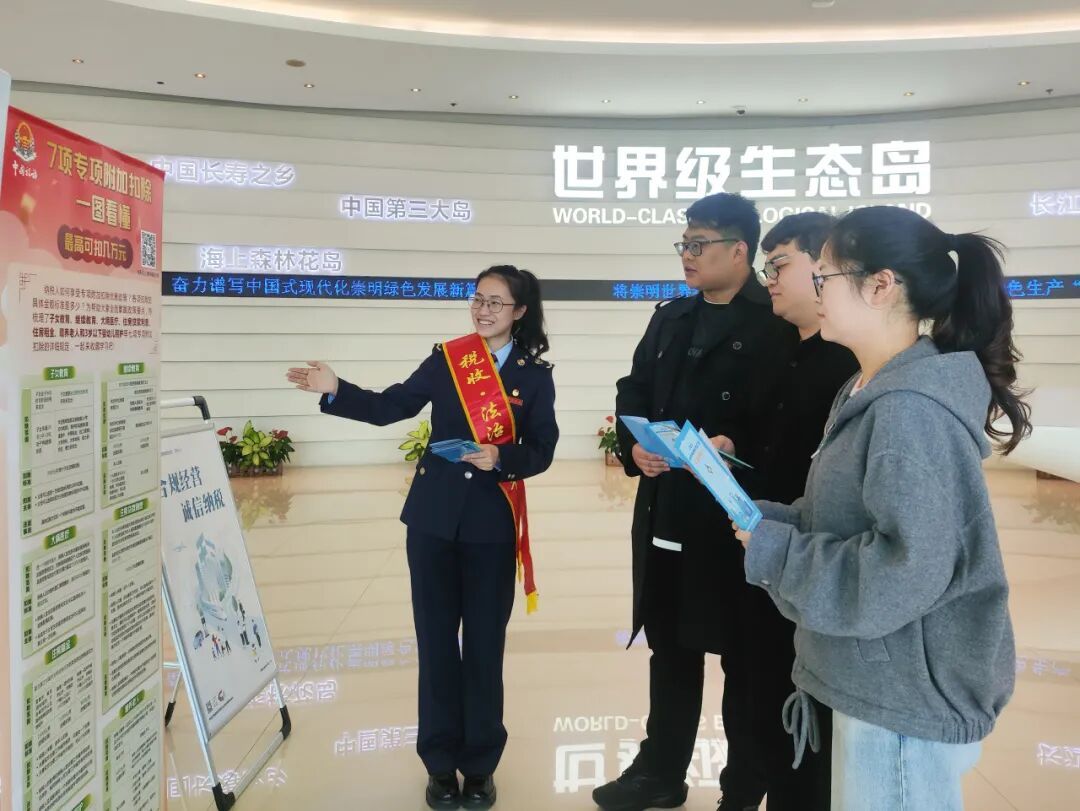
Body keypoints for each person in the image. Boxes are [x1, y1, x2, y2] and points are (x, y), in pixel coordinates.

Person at [736, 206, 1030, 811]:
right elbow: (852, 519)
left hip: (904, 695)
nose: (814, 291)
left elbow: (905, 570)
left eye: (824, 277)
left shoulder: (908, 411)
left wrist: (779, 553)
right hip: (877, 673)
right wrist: (775, 524)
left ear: (880, 285)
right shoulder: (867, 387)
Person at [287, 266, 558, 810]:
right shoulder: (449, 359)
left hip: (490, 527)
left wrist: (502, 457)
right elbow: (391, 406)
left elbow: (542, 448)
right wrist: (336, 389)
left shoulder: (534, 376)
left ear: (520, 312)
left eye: (496, 302)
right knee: (435, 645)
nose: (483, 310)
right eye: (477, 299)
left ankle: (479, 766)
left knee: (484, 647)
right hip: (432, 523)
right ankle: (438, 765)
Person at [596, 192, 795, 811]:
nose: (687, 255)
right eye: (684, 243)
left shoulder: (776, 322)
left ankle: (742, 789)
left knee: (744, 657)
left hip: (734, 519)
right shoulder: (671, 317)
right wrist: (635, 447)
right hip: (667, 507)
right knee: (670, 647)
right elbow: (633, 388)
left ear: (739, 251)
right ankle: (660, 772)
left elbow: (788, 421)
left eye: (699, 244)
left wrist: (737, 445)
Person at [741, 212, 859, 810]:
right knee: (768, 706)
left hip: (816, 573)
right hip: (774, 558)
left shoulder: (855, 370)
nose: (769, 280)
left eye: (779, 265)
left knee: (810, 735)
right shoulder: (782, 348)